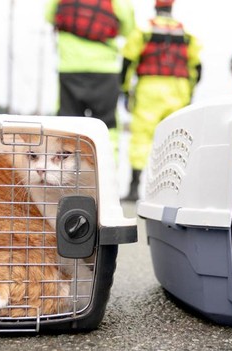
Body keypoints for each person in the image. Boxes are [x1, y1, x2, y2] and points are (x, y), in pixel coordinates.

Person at [120, 0, 202, 201]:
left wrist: (124, 90)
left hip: (149, 88)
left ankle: (133, 188)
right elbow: (197, 68)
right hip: (178, 90)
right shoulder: (187, 34)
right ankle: (175, 191)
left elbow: (128, 61)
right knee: (176, 140)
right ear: (171, 8)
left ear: (156, 8)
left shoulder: (143, 30)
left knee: (141, 137)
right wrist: (189, 92)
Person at [45, 0, 135, 141]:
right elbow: (128, 28)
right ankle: (108, 161)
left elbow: (49, 16)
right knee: (107, 125)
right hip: (105, 70)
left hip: (70, 68)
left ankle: (65, 160)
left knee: (67, 124)